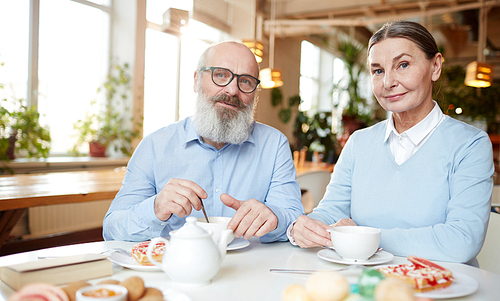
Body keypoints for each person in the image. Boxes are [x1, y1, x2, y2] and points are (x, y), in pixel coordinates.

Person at [289, 20, 494, 264]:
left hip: (439, 287)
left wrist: (363, 237)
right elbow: (332, 212)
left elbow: (462, 241)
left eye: (403, 65)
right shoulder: (359, 143)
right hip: (361, 282)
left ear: (435, 66)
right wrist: (302, 228)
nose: (388, 82)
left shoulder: (470, 145)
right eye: (378, 71)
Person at [103, 41, 304, 242]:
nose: (233, 90)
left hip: (251, 268)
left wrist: (275, 218)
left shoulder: (274, 145)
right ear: (196, 80)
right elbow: (112, 230)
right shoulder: (154, 146)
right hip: (175, 269)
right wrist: (155, 208)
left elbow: (295, 220)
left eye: (246, 81)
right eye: (221, 75)